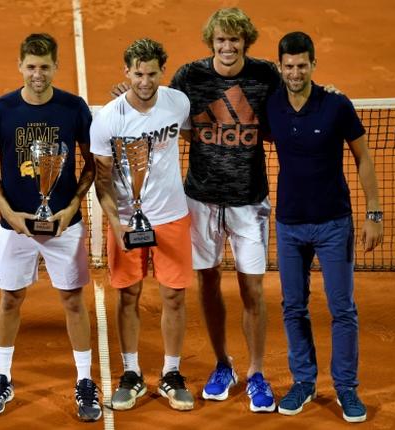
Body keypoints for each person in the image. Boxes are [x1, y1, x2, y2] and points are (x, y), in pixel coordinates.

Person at [0, 33, 100, 422]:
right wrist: (8, 213)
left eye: (44, 67)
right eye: (30, 66)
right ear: (20, 66)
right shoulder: (0, 110)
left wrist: (73, 206)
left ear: (55, 67)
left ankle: (84, 381)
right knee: (10, 299)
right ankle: (2, 376)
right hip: (15, 227)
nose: (37, 74)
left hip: (65, 225)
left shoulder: (74, 108)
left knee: (72, 300)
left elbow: (91, 162)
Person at [167, 8, 280, 412]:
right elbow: (161, 114)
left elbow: (299, 101)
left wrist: (327, 92)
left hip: (249, 202)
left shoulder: (266, 76)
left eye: (234, 40)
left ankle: (257, 373)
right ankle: (221, 365)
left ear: (245, 41)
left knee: (253, 288)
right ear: (211, 42)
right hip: (200, 199)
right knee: (208, 282)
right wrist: (126, 100)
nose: (227, 47)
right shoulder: (189, 77)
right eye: (220, 40)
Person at [268, 31, 383, 423]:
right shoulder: (271, 105)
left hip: (335, 224)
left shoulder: (337, 104)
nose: (296, 72)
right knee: (293, 307)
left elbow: (363, 158)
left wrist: (374, 213)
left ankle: (346, 388)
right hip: (289, 225)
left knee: (342, 308)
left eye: (303, 65)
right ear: (280, 66)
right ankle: (304, 381)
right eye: (289, 66)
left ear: (313, 64)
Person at [92, 38, 194, 412]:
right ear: (127, 72)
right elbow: (101, 181)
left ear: (161, 71)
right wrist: (115, 224)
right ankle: (131, 373)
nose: (145, 81)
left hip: (171, 216)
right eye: (138, 73)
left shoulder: (177, 103)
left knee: (174, 296)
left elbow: (193, 134)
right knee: (129, 295)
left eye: (152, 73)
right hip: (124, 220)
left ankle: (171, 373)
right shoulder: (108, 118)